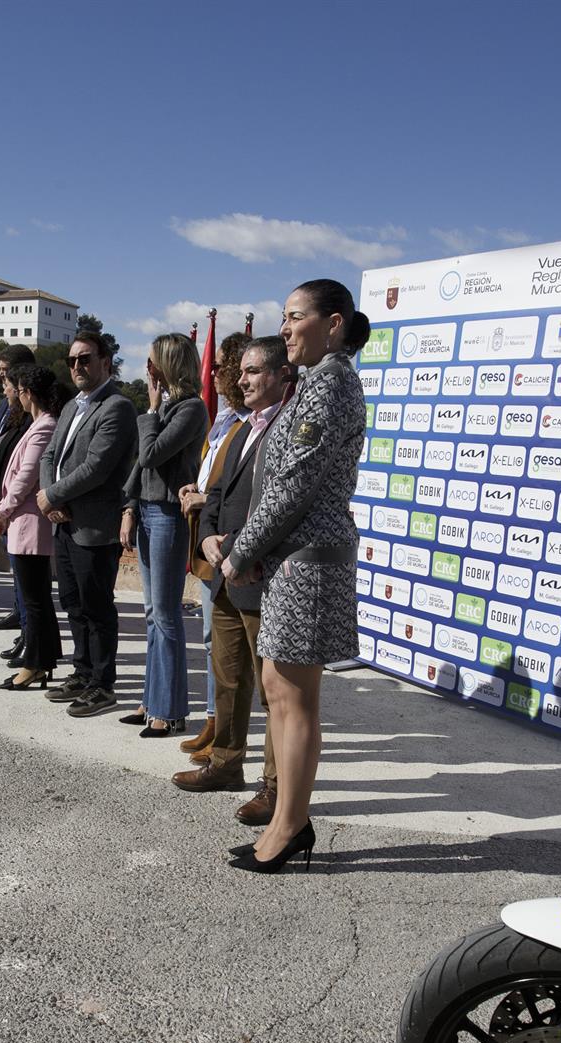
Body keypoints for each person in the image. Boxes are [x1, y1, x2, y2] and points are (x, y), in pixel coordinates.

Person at [219, 280, 369, 872]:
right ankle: (287, 820)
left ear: (333, 323)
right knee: (280, 692)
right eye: (283, 317)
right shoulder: (314, 383)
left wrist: (239, 552)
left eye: (294, 317)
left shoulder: (330, 383)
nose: (284, 329)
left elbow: (294, 485)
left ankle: (290, 826)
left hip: (308, 562)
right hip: (291, 559)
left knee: (295, 698)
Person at [174, 336, 291, 818]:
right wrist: (206, 539)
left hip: (262, 577)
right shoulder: (242, 430)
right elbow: (217, 494)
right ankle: (225, 762)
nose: (240, 380)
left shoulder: (287, 427)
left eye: (252, 372)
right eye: (239, 372)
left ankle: (275, 787)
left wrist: (237, 551)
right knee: (227, 678)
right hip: (223, 575)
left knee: (272, 693)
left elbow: (279, 507)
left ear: (283, 375)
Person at [38, 331, 137, 717]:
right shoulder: (70, 408)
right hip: (63, 523)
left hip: (94, 526)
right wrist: (51, 499)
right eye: (72, 360)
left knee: (97, 607)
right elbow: (49, 456)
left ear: (105, 362)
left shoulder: (117, 407)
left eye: (85, 359)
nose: (78, 366)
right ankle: (81, 672)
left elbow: (97, 467)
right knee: (72, 603)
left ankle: (102, 683)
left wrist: (54, 496)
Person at [120, 334, 208, 738]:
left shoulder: (190, 409)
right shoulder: (169, 407)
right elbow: (141, 467)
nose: (148, 369)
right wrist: (130, 506)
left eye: (153, 362)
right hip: (148, 511)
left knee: (168, 614)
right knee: (152, 614)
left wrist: (151, 411)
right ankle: (151, 699)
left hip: (171, 514)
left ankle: (170, 710)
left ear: (170, 365)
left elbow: (151, 453)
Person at [176, 332, 255, 757]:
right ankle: (214, 721)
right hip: (208, 544)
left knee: (228, 649)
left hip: (231, 547)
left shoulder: (254, 425)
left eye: (222, 365)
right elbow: (217, 480)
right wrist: (198, 489)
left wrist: (204, 497)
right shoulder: (224, 420)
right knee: (212, 641)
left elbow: (239, 491)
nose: (215, 372)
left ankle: (222, 727)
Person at [0, 363, 62, 689]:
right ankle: (43, 661)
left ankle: (35, 664)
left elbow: (25, 478)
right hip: (24, 524)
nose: (15, 396)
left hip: (29, 525)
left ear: (29, 393)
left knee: (34, 600)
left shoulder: (45, 426)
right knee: (36, 599)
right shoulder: (38, 425)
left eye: (18, 390)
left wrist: (2, 511)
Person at [0, 344, 35, 633]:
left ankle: (26, 621)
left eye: (6, 374)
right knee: (15, 567)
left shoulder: (33, 414)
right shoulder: (4, 405)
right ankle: (20, 614)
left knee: (24, 572)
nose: (1, 379)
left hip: (17, 503)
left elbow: (25, 464)